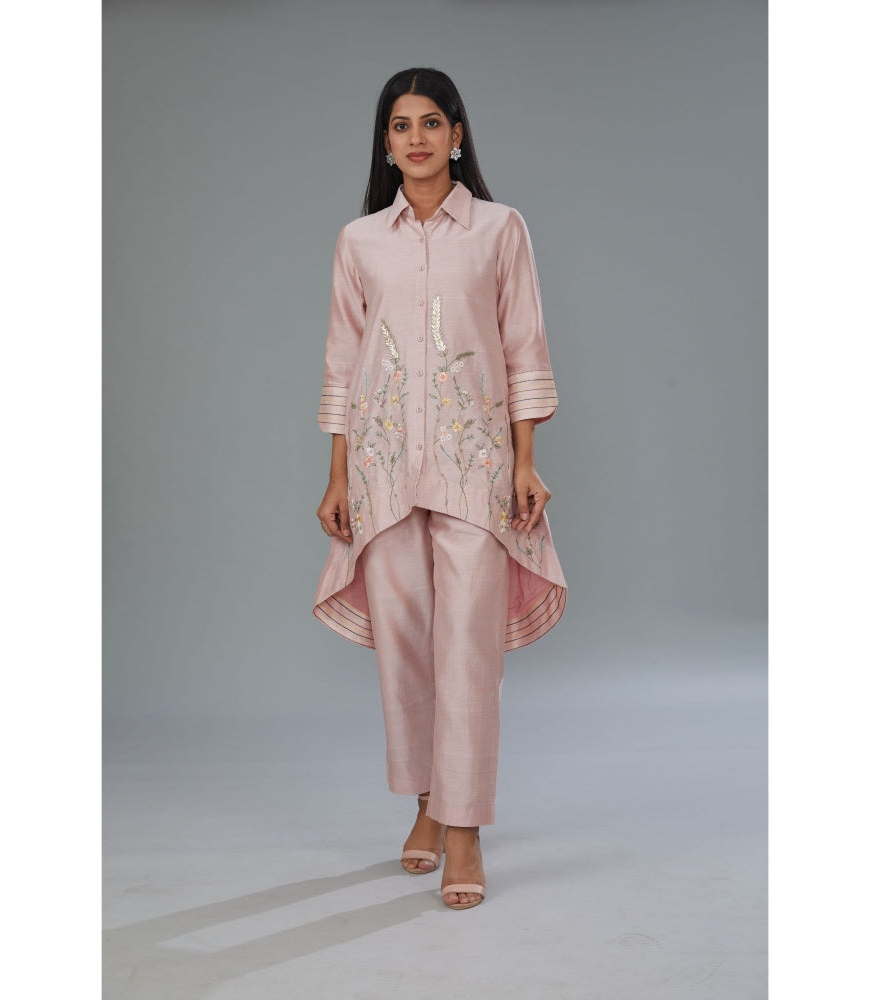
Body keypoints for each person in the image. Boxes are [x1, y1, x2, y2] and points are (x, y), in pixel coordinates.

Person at [313, 68, 567, 911]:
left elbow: (523, 345)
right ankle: (427, 802)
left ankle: (464, 831)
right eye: (400, 126)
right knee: (407, 651)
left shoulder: (500, 229)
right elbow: (343, 363)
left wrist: (525, 461)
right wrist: (337, 475)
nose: (415, 138)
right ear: (385, 144)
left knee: (467, 651)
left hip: (474, 467)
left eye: (431, 122)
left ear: (457, 135)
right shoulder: (359, 241)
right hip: (381, 470)